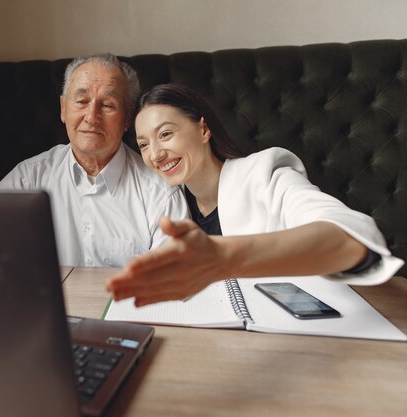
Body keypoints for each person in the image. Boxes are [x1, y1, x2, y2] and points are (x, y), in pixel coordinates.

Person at [106, 83, 404, 306]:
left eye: (166, 134)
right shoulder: (170, 204)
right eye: (144, 145)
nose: (156, 154)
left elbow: (350, 239)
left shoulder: (265, 173)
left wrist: (225, 258)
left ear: (203, 129)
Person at [0, 55, 189, 267]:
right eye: (81, 101)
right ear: (62, 109)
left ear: (128, 119)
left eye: (108, 105)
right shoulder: (29, 178)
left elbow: (174, 281)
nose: (91, 117)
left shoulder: (159, 191)